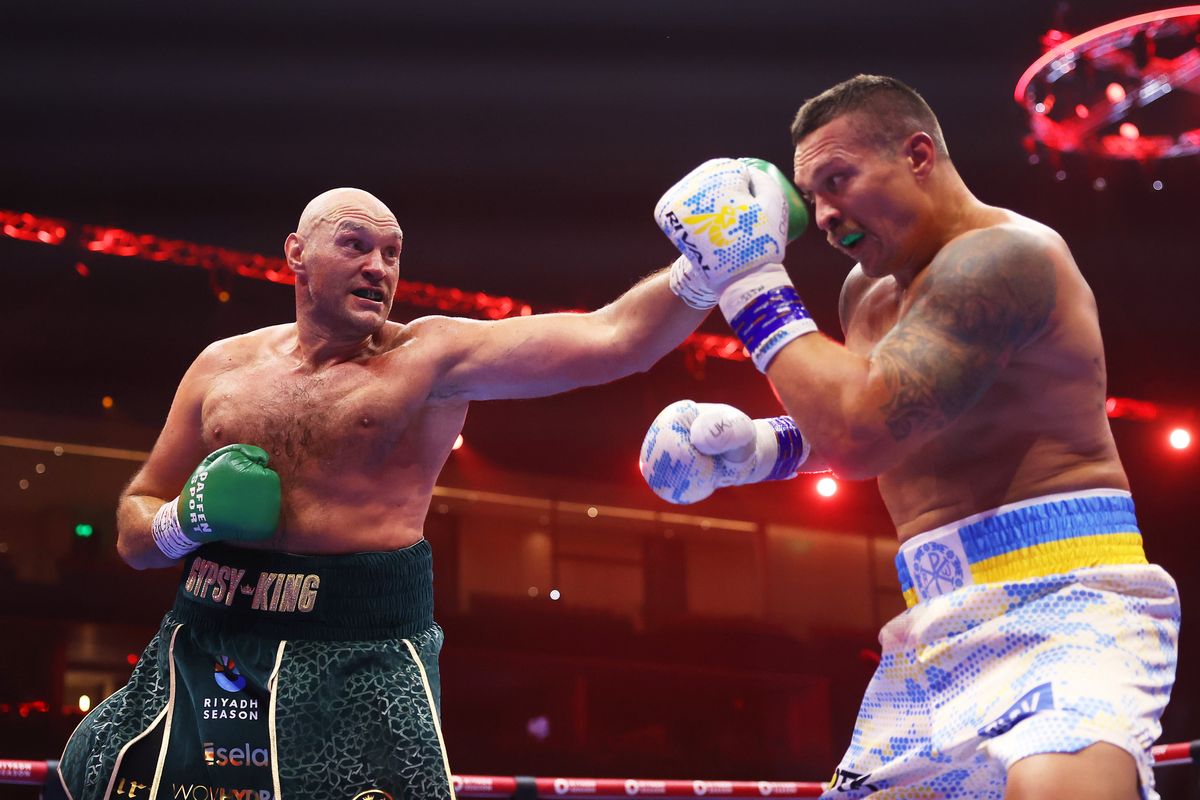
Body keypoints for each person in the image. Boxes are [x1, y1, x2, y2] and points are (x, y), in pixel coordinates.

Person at [53, 183, 763, 800]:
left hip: (357, 654)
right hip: (208, 638)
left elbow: (614, 340)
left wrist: (702, 270)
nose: (379, 268)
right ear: (296, 253)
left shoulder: (429, 358)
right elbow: (133, 529)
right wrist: (182, 521)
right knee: (96, 770)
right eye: (357, 245)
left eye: (392, 254)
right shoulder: (220, 368)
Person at [639, 75, 1179, 800]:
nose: (825, 216)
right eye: (813, 197)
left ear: (918, 155)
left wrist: (747, 279)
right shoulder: (866, 291)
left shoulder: (1004, 259)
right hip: (935, 623)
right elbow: (885, 425)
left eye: (839, 180)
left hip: (1069, 600)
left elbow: (863, 432)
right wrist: (756, 450)